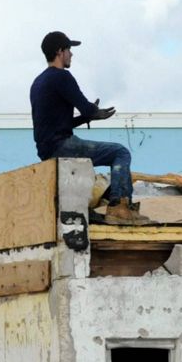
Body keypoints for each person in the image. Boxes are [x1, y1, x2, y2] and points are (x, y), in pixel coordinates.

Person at [30, 31, 148, 225]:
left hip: (47, 150)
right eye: (69, 50)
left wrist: (86, 117)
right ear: (60, 51)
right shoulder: (62, 77)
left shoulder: (38, 82)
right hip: (63, 145)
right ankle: (119, 206)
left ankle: (112, 201)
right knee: (120, 152)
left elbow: (56, 124)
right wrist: (94, 112)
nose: (71, 54)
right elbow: (85, 107)